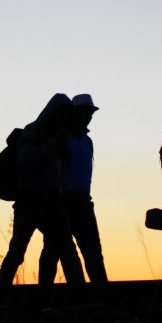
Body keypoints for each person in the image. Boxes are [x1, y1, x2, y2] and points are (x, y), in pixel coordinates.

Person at [0, 94, 85, 287]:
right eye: (62, 114)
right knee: (17, 251)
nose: (64, 119)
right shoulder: (32, 131)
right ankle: (0, 291)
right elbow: (27, 158)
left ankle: (78, 291)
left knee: (68, 249)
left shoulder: (63, 136)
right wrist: (52, 146)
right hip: (30, 200)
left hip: (53, 201)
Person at [38, 94, 108, 284]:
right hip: (61, 203)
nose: (88, 115)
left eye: (90, 112)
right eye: (85, 111)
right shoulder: (60, 138)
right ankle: (44, 294)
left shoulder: (88, 142)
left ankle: (101, 295)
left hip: (83, 202)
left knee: (93, 252)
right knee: (52, 251)